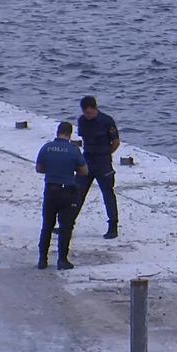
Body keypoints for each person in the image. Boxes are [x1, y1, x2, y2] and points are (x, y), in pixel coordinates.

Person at [36, 121, 88, 270]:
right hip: (67, 191)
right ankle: (62, 260)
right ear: (70, 134)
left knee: (47, 225)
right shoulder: (73, 150)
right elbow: (84, 171)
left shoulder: (46, 148)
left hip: (50, 190)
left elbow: (39, 168)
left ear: (57, 132)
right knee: (65, 227)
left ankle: (42, 260)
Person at [74, 96, 121, 239]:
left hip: (102, 161)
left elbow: (116, 142)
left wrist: (106, 154)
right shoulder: (82, 121)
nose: (87, 116)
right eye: (85, 113)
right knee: (77, 192)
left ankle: (113, 226)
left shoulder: (106, 121)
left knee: (108, 194)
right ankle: (68, 223)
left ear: (95, 109)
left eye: (90, 113)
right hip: (87, 159)